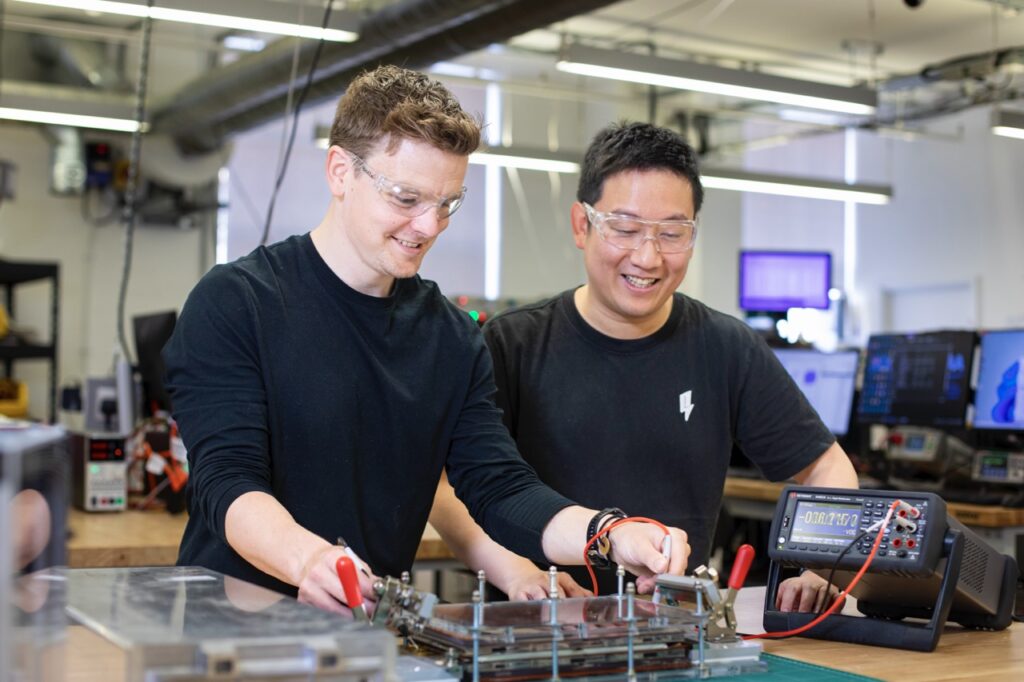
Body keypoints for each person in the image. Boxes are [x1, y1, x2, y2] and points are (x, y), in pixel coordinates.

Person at [163, 67, 690, 615]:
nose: (429, 225)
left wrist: (609, 533)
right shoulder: (237, 303)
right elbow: (227, 480)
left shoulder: (450, 336)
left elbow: (500, 487)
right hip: (229, 637)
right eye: (406, 197)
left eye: (447, 203)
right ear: (340, 171)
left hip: (365, 633)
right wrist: (309, 561)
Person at [429, 122, 858, 612]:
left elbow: (825, 465)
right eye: (626, 229)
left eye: (672, 233)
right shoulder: (513, 343)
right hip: (538, 622)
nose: (648, 256)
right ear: (581, 225)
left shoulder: (725, 347)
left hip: (675, 627)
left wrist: (820, 565)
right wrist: (516, 571)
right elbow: (443, 484)